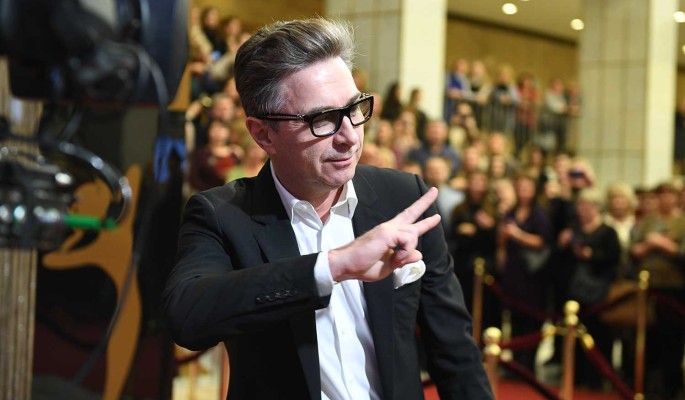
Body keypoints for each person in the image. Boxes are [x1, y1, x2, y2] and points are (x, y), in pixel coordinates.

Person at [163, 18, 493, 400]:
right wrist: (333, 266)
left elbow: (455, 354)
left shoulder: (403, 199)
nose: (350, 136)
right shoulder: (222, 215)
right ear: (263, 134)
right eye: (322, 120)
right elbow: (187, 316)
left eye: (355, 108)